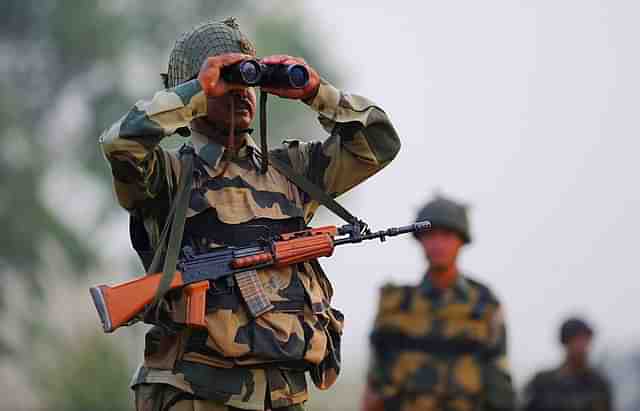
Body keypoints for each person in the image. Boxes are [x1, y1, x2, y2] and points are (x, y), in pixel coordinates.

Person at [99, 17, 400, 411]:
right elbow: (120, 144)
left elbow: (379, 142)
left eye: (249, 81)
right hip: (194, 393)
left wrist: (315, 92)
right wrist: (194, 93)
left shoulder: (292, 171)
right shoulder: (168, 176)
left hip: (281, 394)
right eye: (229, 81)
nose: (243, 93)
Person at [362, 196, 515, 411]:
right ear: (420, 240)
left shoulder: (484, 306)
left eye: (447, 235)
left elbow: (500, 386)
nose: (438, 244)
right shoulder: (395, 304)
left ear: (461, 240)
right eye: (430, 235)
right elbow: (374, 384)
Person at [522, 318, 612, 411]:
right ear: (566, 343)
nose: (582, 347)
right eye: (577, 340)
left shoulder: (598, 384)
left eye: (585, 340)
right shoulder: (543, 383)